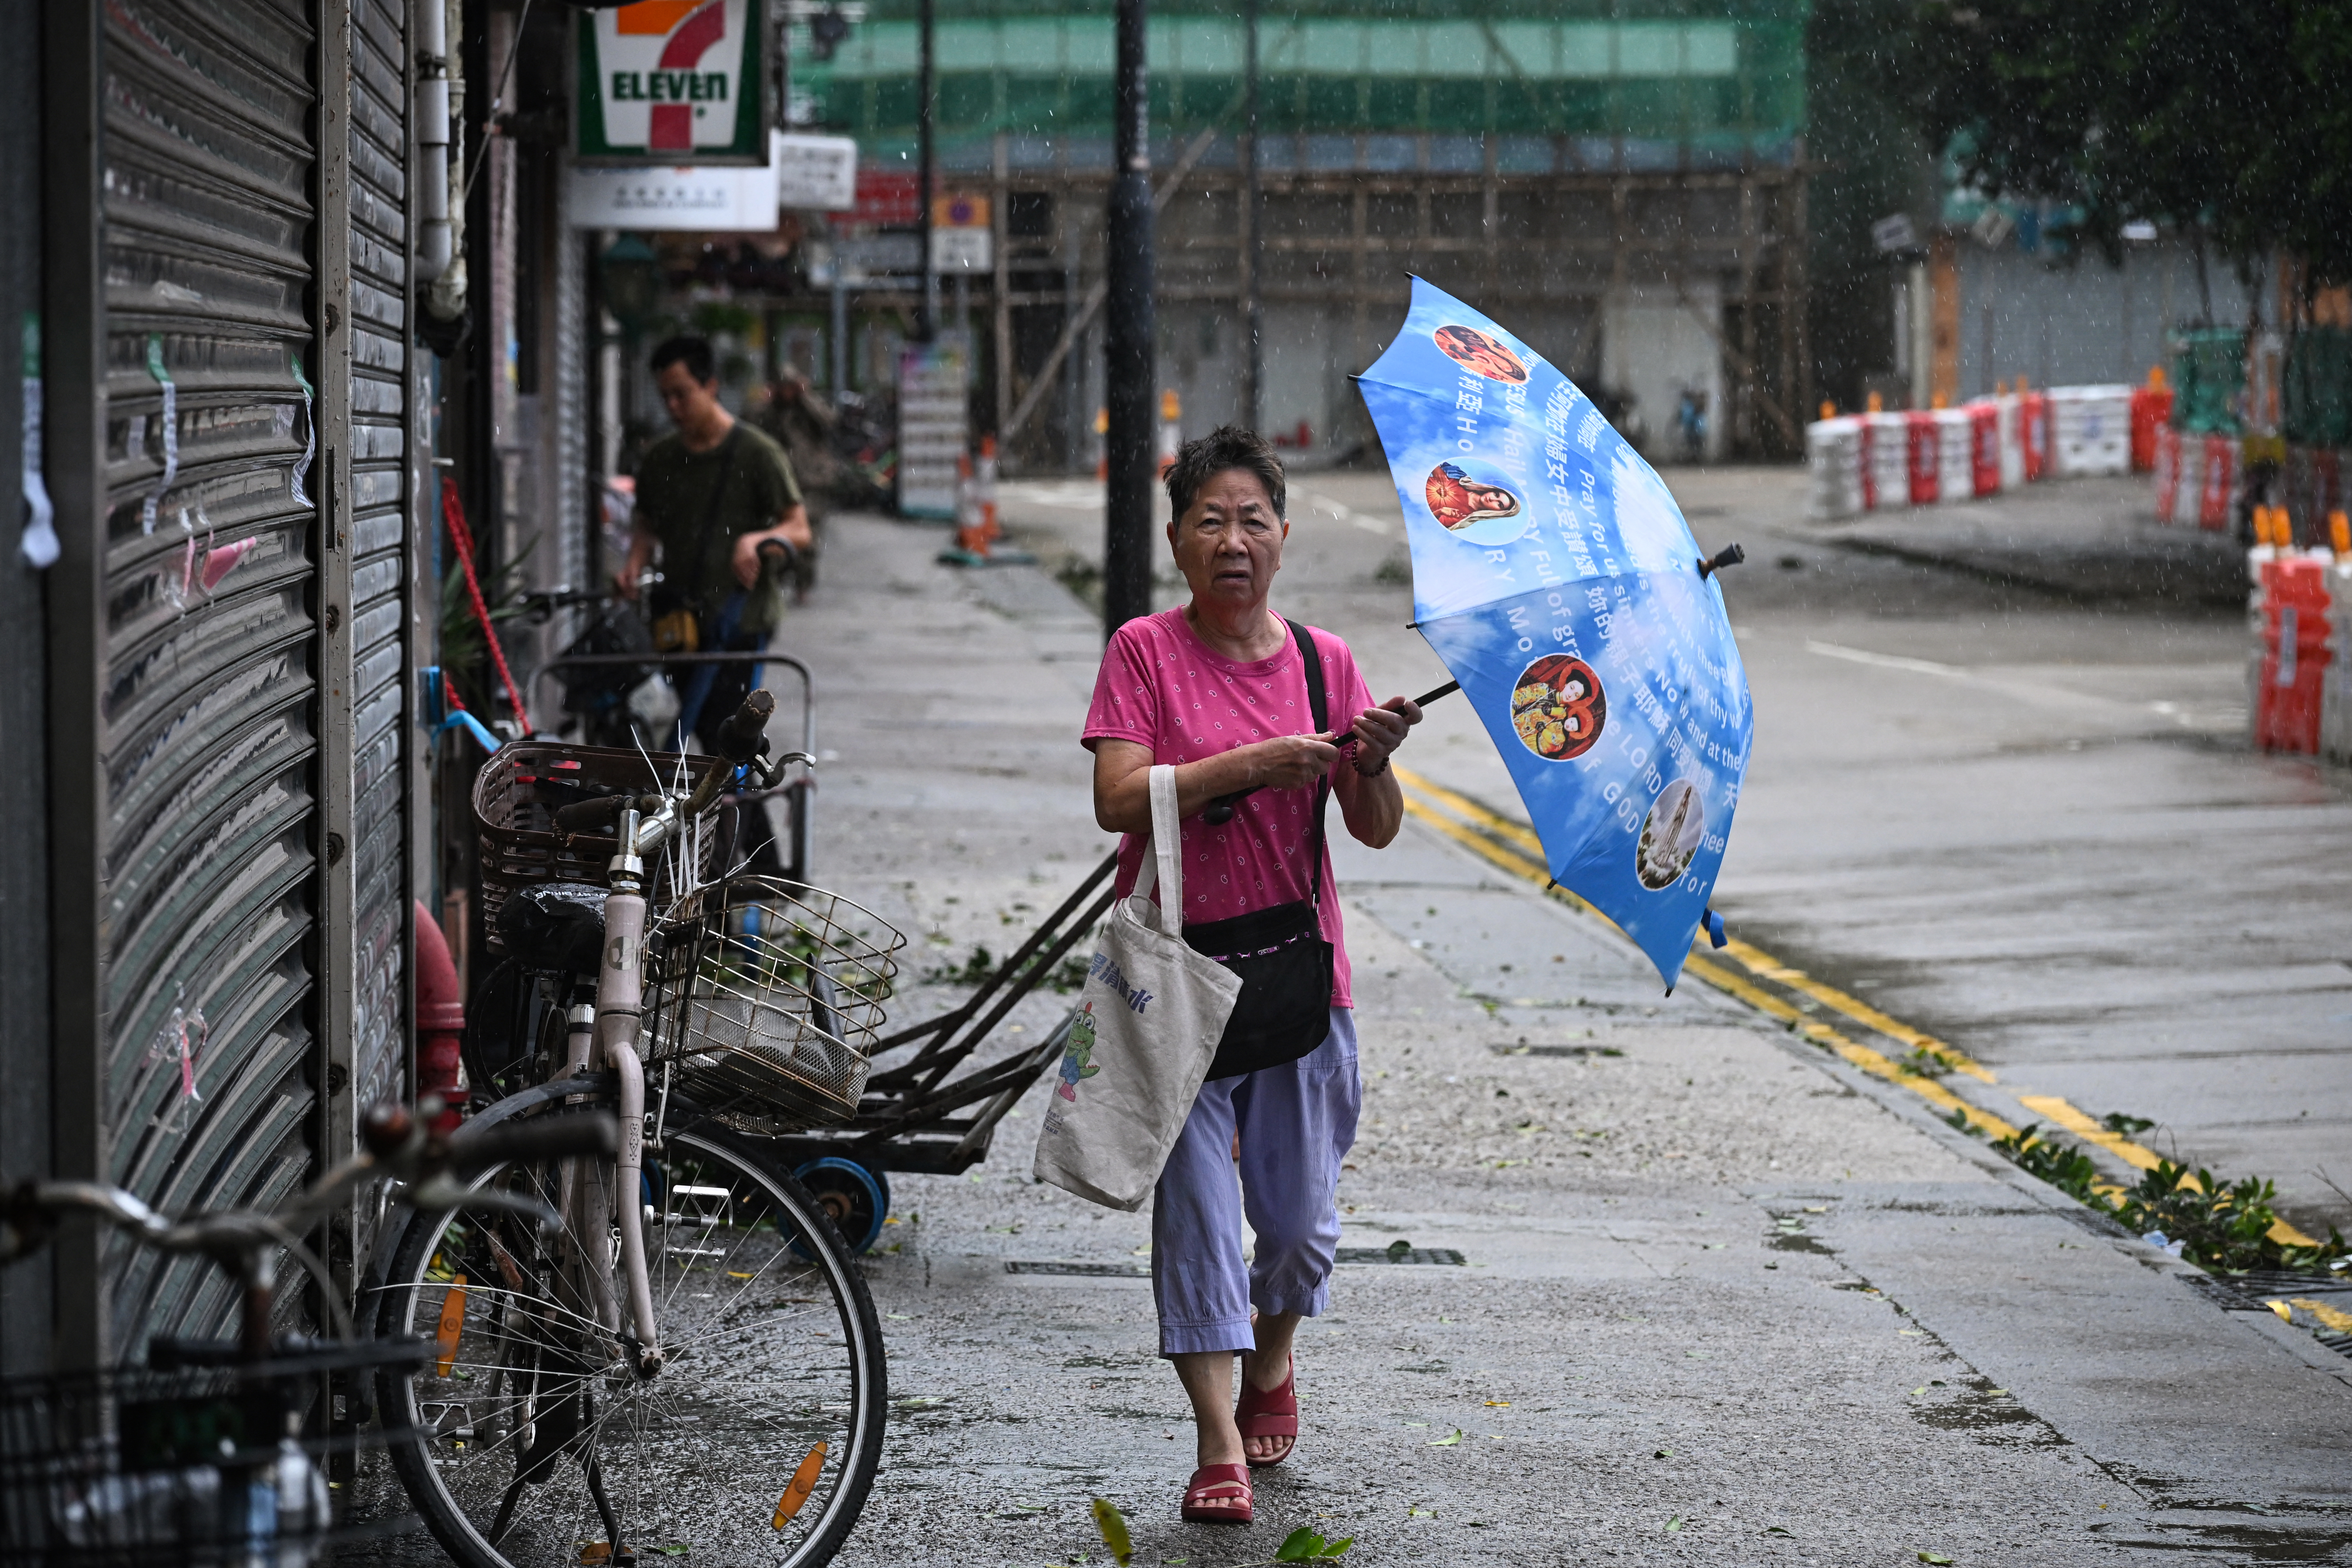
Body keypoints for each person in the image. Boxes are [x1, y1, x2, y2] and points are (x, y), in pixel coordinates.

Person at [1082, 426, 1424, 1527]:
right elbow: (1119, 798)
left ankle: (1274, 1352)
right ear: (1178, 539)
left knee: (1300, 1224)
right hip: (1176, 983)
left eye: (1254, 520)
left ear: (1284, 538)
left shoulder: (1327, 665)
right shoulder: (1144, 649)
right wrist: (1253, 762)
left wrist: (1368, 763)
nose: (1234, 540)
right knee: (1194, 1212)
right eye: (1212, 520)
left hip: (1298, 983)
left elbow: (1373, 830)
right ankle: (1218, 1435)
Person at [617, 335, 812, 750]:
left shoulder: (757, 454)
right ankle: (726, 813)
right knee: (683, 732)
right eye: (665, 396)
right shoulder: (661, 459)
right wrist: (635, 561)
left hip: (741, 620)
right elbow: (646, 523)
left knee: (725, 734)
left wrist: (758, 541)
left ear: (710, 386)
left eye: (682, 394)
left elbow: (798, 528)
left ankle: (742, 814)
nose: (673, 407)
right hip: (680, 623)